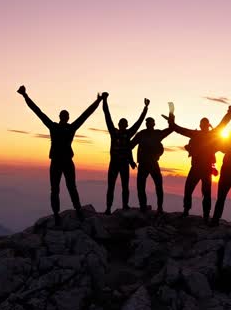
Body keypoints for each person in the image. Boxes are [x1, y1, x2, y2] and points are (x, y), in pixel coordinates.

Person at [17, 85, 103, 224]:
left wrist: (25, 96)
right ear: (67, 117)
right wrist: (98, 101)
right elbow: (86, 115)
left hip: (58, 161)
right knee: (69, 187)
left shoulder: (54, 127)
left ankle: (58, 214)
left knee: (56, 189)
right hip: (65, 161)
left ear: (61, 117)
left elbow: (37, 111)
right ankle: (76, 211)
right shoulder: (69, 128)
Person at [168, 104, 231, 220]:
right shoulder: (205, 134)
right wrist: (171, 114)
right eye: (203, 125)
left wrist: (230, 112)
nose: (204, 126)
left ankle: (198, 213)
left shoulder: (202, 134)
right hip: (200, 168)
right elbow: (178, 129)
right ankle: (194, 212)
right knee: (193, 190)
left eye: (205, 125)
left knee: (202, 191)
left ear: (205, 125)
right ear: (202, 125)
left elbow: (223, 123)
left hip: (203, 168)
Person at [101, 95, 148, 214]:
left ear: (125, 125)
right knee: (112, 186)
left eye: (124, 124)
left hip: (123, 164)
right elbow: (107, 116)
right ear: (120, 125)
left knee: (124, 187)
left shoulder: (127, 133)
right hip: (115, 164)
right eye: (122, 124)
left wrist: (145, 109)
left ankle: (124, 205)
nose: (122, 126)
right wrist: (105, 101)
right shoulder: (115, 132)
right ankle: (108, 208)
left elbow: (139, 122)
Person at [129, 116, 175, 212]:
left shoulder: (157, 134)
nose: (148, 124)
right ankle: (144, 206)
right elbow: (130, 146)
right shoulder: (142, 134)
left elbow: (171, 129)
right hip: (144, 164)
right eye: (147, 123)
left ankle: (159, 207)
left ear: (153, 124)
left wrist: (171, 117)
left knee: (157, 186)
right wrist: (131, 161)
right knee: (142, 186)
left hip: (153, 164)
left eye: (150, 122)